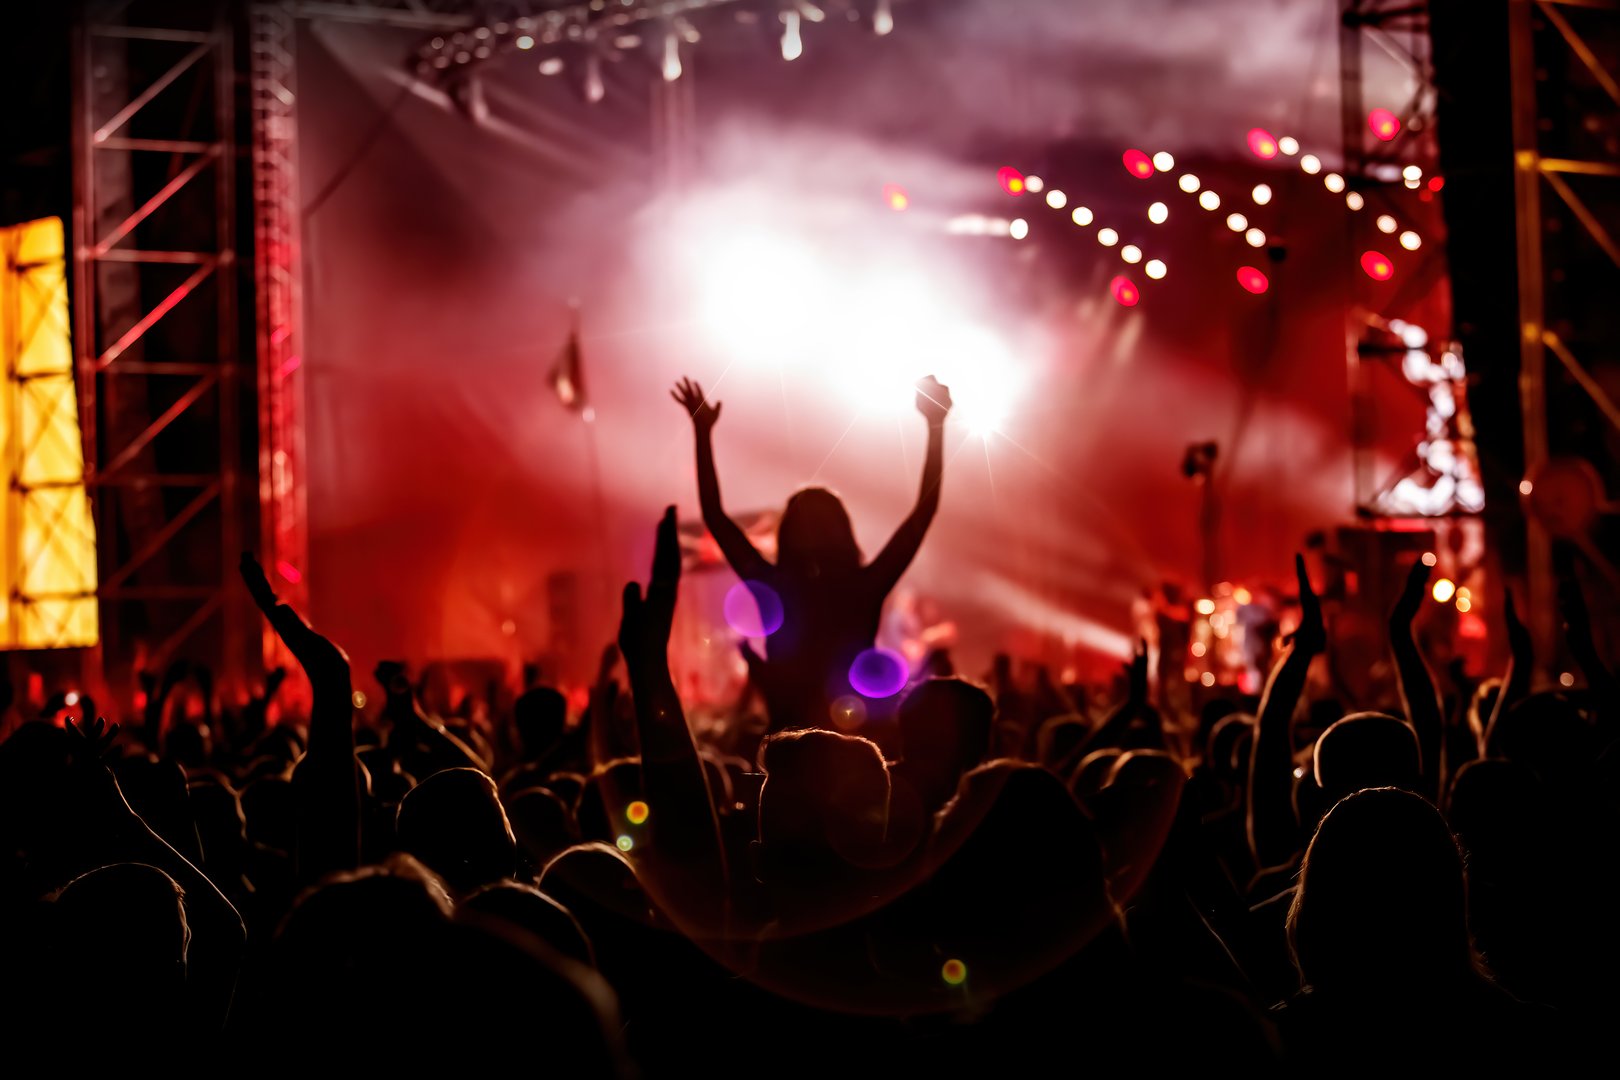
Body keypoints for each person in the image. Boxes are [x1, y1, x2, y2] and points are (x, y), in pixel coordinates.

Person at [672, 374, 952, 735]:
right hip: (849, 739)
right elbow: (923, 514)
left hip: (791, 742)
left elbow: (714, 515)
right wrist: (935, 426)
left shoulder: (775, 584)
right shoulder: (864, 585)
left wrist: (703, 433)